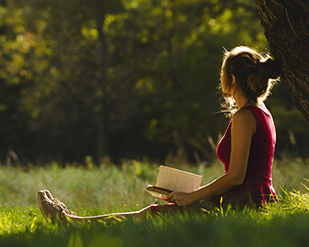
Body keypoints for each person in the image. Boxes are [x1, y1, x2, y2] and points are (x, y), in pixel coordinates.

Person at [38, 46, 280, 224]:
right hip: (253, 196)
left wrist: (193, 196)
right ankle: (71, 220)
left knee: (152, 215)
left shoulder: (244, 117)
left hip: (244, 201)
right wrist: (189, 195)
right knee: (155, 213)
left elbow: (237, 176)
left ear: (232, 79)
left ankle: (70, 223)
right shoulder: (262, 113)